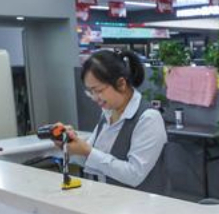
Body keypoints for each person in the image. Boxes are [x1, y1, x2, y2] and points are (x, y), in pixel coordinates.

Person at [55, 50, 170, 195]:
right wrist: (70, 145)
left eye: (99, 90)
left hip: (143, 209)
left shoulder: (149, 118)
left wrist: (87, 151)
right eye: (90, 92)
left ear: (121, 84)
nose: (95, 98)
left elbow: (134, 175)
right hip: (112, 202)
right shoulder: (107, 113)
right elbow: (90, 160)